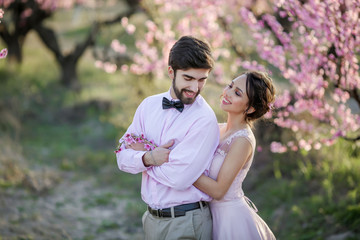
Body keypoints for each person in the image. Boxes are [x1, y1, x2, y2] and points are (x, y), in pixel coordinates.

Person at [116, 35, 220, 240]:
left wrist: (142, 159)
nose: (194, 88)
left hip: (187, 223)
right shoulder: (147, 106)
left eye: (201, 80)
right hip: (151, 220)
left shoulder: (204, 119)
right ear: (171, 71)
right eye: (188, 79)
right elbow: (121, 158)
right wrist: (150, 158)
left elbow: (179, 178)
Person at [193, 71, 277, 239]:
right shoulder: (217, 128)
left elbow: (218, 191)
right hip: (205, 215)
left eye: (237, 93)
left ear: (250, 108)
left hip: (230, 220)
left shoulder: (242, 140)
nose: (228, 93)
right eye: (230, 86)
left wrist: (182, 170)